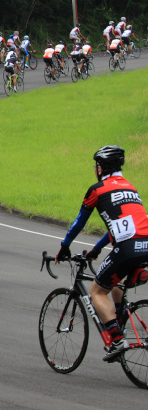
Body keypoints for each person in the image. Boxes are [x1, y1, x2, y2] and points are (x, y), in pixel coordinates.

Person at [56, 145, 148, 362]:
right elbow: (121, 225)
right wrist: (97, 249)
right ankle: (120, 320)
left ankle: (117, 339)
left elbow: (79, 223)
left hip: (127, 248)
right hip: (145, 243)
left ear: (101, 167)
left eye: (97, 165)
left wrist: (65, 246)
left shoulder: (97, 190)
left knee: (97, 291)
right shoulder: (130, 187)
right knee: (116, 281)